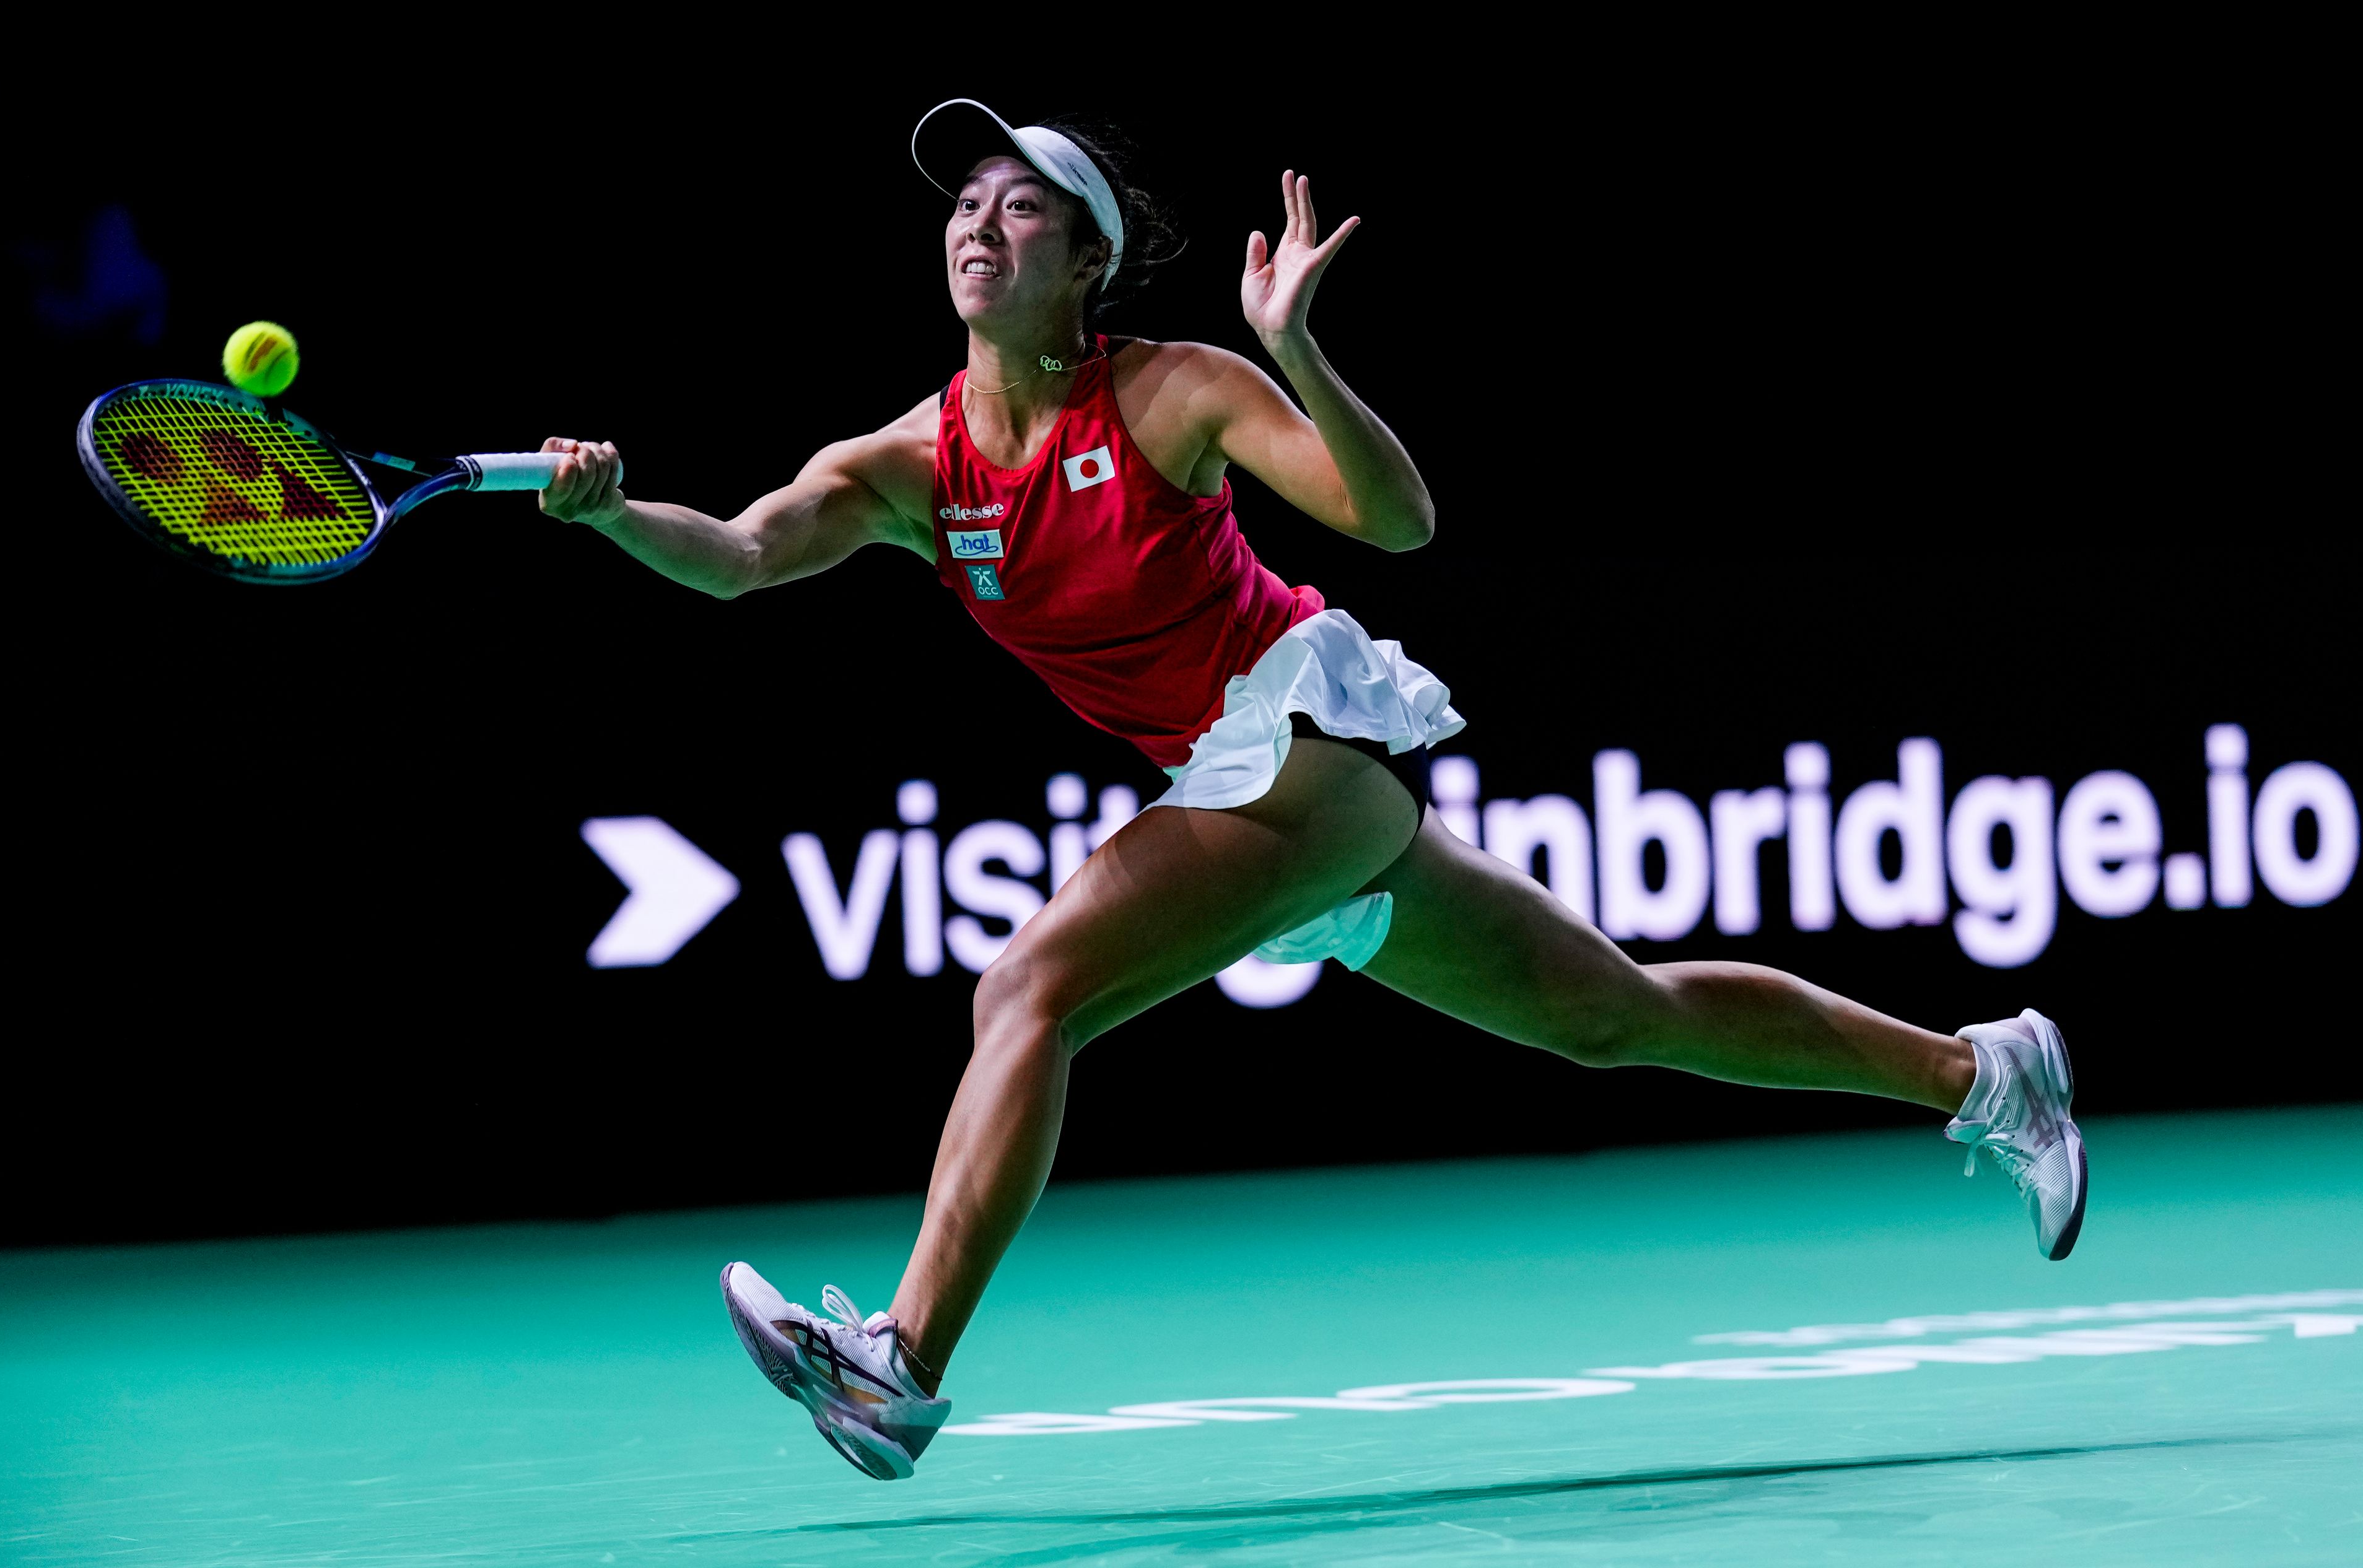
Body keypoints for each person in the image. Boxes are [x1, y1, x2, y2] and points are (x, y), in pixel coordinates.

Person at [536, 99, 2087, 1481]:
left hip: (1306, 755)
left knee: (1028, 988)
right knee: (1620, 1013)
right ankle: (1983, 1072)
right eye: (965, 202)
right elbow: (739, 552)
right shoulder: (908, 466)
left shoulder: (1172, 391)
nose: (977, 222)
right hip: (1266, 805)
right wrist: (615, 515)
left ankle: (906, 1361)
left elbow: (1395, 520)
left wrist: (1294, 351)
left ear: (1089, 265)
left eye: (1023, 206)